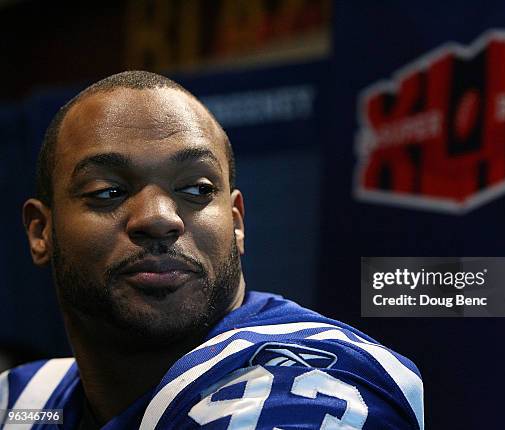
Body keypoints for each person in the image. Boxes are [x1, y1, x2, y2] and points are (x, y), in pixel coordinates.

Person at [0, 71, 423, 429]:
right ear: (41, 232)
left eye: (196, 189)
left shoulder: (301, 384)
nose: (160, 217)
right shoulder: (28, 402)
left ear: (237, 223)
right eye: (108, 191)